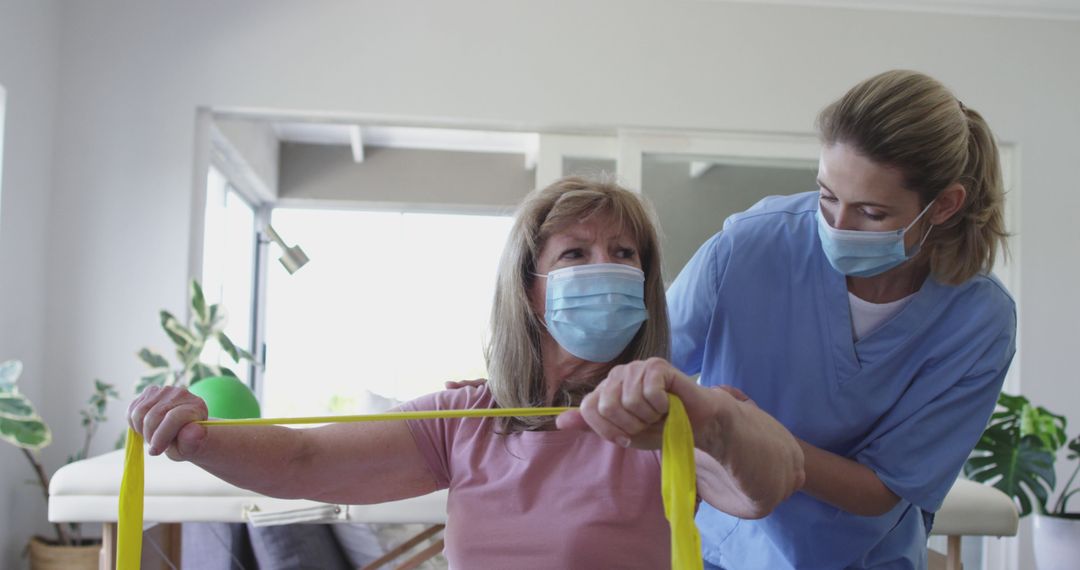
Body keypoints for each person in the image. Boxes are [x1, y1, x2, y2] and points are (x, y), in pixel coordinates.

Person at [129, 177, 804, 569]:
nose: (607, 266)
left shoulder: (672, 415)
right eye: (576, 253)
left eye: (624, 253)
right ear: (529, 287)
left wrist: (702, 415)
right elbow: (307, 457)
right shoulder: (465, 420)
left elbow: (774, 480)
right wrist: (198, 437)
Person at [667, 70, 1016, 569]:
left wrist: (748, 435)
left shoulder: (978, 321)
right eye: (827, 196)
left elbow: (883, 489)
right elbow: (647, 371)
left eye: (871, 213)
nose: (837, 226)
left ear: (944, 206)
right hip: (722, 552)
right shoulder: (749, 248)